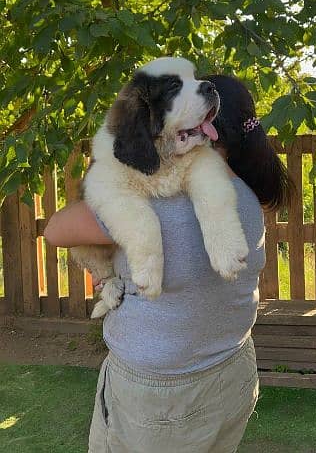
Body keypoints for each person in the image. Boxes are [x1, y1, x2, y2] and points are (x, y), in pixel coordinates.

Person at [44, 74, 291, 453]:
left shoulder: (154, 206)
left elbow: (55, 230)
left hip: (160, 397)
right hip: (232, 369)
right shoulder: (244, 196)